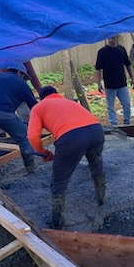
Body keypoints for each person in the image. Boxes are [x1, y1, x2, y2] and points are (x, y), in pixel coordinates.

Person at [27, 86, 106, 229]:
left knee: (59, 181)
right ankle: (102, 199)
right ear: (56, 94)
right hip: (96, 130)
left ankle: (57, 223)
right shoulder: (70, 102)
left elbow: (32, 136)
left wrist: (43, 152)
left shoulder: (38, 107)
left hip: (71, 138)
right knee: (96, 164)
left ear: (41, 97)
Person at [0, 65, 38, 182]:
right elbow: (35, 108)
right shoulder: (21, 83)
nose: (24, 80)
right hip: (4, 114)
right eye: (24, 77)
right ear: (20, 73)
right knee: (24, 140)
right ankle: (31, 171)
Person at [95, 35, 134, 126]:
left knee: (127, 105)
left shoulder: (121, 50)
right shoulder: (102, 52)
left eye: (113, 38)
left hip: (122, 84)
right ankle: (113, 125)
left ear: (116, 38)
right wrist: (98, 83)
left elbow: (128, 65)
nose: (111, 40)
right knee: (110, 107)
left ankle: (127, 123)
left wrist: (132, 78)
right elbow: (98, 69)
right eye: (109, 38)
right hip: (109, 85)